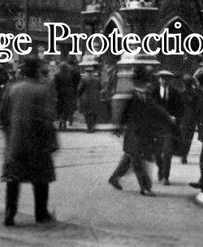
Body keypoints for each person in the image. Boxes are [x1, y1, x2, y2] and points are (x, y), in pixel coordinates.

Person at [0, 56, 57, 227]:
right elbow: (47, 118)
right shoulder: (43, 90)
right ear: (37, 71)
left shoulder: (12, 89)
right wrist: (52, 141)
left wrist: (9, 136)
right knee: (41, 178)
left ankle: (9, 214)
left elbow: (3, 116)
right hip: (37, 143)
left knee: (13, 179)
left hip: (15, 142)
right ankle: (41, 213)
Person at [109, 67, 172, 196]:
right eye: (143, 81)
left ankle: (114, 177)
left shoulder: (146, 95)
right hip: (133, 133)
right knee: (138, 160)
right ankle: (146, 187)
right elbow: (123, 113)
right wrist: (118, 127)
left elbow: (155, 109)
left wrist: (167, 117)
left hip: (144, 133)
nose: (145, 84)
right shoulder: (131, 96)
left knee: (130, 157)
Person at [151, 70, 184, 185]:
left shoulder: (175, 93)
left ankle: (165, 176)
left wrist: (176, 117)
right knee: (156, 153)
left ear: (170, 80)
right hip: (156, 128)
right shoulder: (153, 92)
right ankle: (161, 168)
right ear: (159, 79)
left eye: (167, 79)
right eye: (162, 78)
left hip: (169, 128)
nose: (164, 81)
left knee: (167, 152)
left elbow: (180, 109)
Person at [78, 66, 101, 132]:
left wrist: (79, 95)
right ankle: (92, 128)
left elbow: (80, 89)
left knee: (86, 114)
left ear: (86, 72)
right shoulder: (97, 80)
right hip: (94, 98)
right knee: (93, 113)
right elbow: (100, 88)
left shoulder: (83, 79)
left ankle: (89, 128)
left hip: (86, 99)